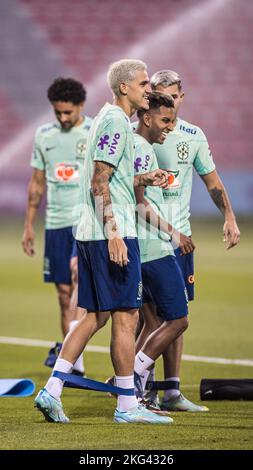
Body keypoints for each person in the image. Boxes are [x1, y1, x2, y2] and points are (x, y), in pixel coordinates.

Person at [34, 59, 173, 425]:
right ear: (124, 87)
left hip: (91, 231)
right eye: (144, 83)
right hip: (110, 232)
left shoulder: (112, 122)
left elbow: (111, 175)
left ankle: (51, 390)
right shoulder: (113, 121)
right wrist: (114, 234)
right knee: (126, 318)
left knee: (92, 316)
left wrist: (144, 176)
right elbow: (99, 181)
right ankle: (127, 406)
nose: (149, 89)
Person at [139, 70, 240, 412]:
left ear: (182, 96)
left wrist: (229, 216)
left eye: (173, 96)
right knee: (152, 319)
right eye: (160, 95)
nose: (168, 102)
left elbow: (212, 181)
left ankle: (170, 391)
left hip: (180, 239)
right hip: (147, 237)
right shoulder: (139, 134)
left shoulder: (193, 136)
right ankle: (141, 389)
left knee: (176, 317)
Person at [22, 77, 93, 375]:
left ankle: (70, 358)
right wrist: (28, 225)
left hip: (86, 223)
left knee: (78, 286)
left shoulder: (94, 132)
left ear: (80, 106)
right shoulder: (44, 136)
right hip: (55, 225)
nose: (63, 118)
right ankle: (74, 366)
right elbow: (37, 183)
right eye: (58, 113)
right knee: (63, 293)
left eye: (68, 112)